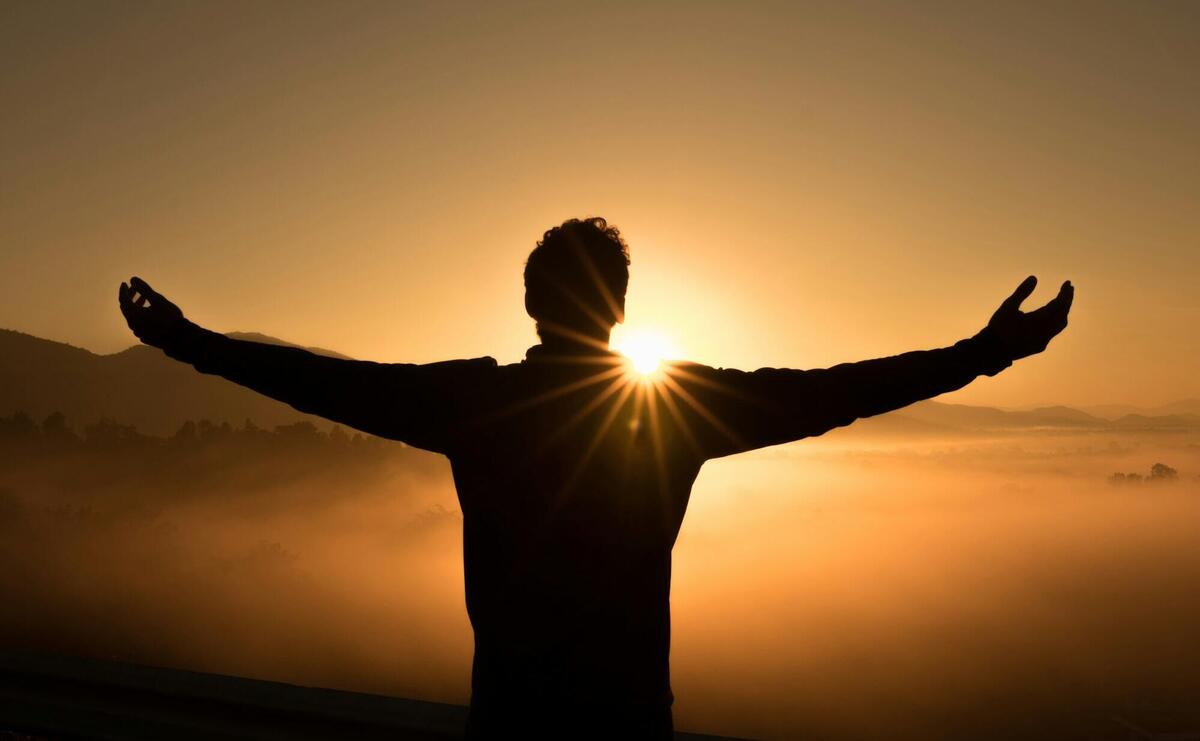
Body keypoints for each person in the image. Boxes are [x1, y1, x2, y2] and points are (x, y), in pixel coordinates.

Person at [118, 217, 1073, 739]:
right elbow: (836, 393)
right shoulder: (673, 412)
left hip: (511, 727)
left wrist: (191, 344)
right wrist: (979, 356)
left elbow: (321, 382)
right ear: (619, 309)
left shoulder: (477, 406)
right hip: (625, 731)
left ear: (533, 303)